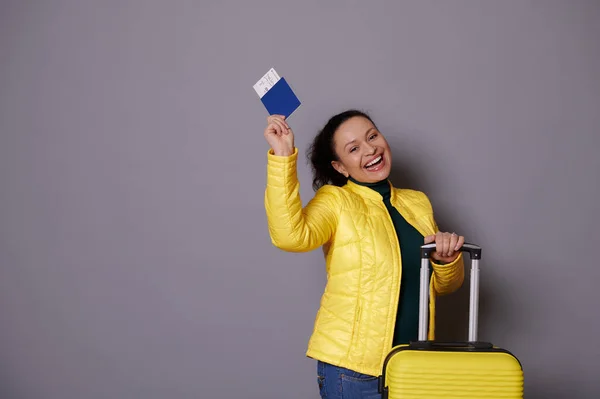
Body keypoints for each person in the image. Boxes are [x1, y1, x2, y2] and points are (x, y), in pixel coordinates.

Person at [263, 110, 465, 399]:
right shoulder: (336, 201)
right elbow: (290, 236)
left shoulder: (417, 203)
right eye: (353, 148)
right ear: (340, 167)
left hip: (414, 365)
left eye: (372, 136)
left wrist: (446, 261)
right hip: (353, 369)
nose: (370, 150)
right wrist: (282, 156)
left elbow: (441, 287)